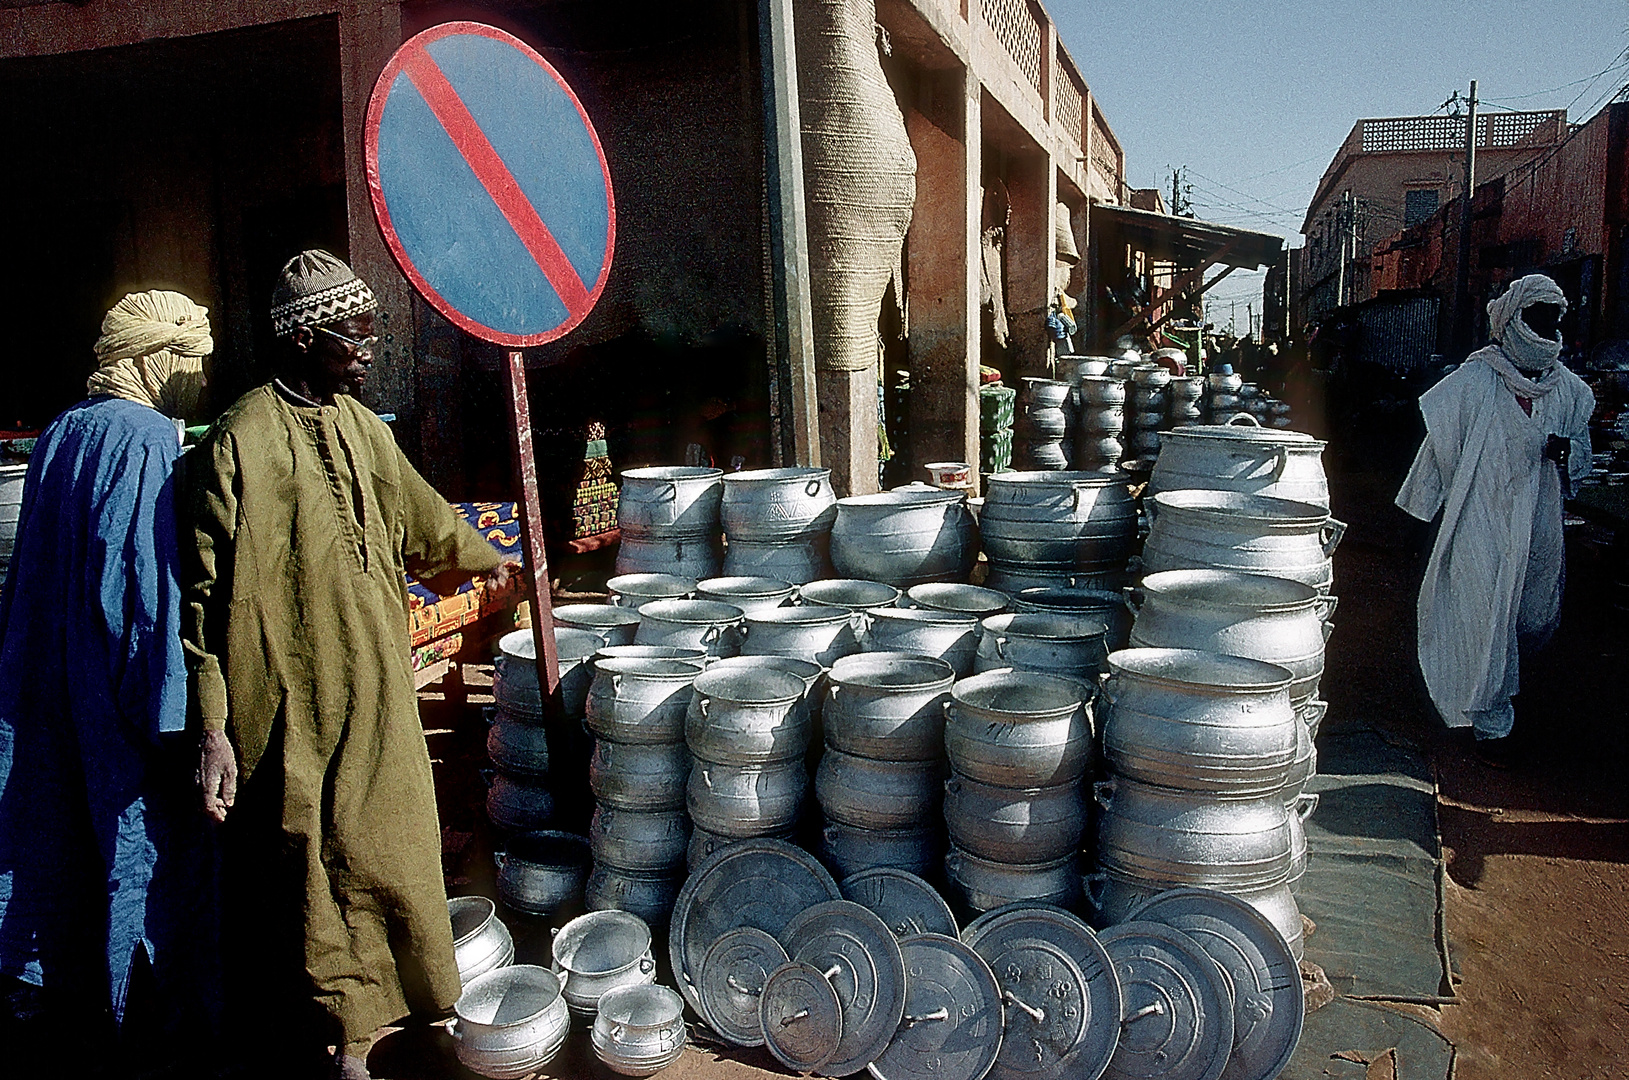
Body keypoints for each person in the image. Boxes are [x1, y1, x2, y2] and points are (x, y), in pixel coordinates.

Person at [185, 251, 517, 1079]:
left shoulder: (364, 429)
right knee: (313, 867)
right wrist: (215, 727)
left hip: (376, 687)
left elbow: (426, 523)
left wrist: (498, 560)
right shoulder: (239, 443)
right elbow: (201, 601)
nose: (370, 351)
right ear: (302, 338)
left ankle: (427, 1008)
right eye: (354, 336)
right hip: (286, 698)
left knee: (398, 847)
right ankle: (348, 1038)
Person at [0, 291, 220, 1065]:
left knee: (56, 839)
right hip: (115, 693)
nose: (200, 379)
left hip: (55, 679)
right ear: (156, 361)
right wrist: (174, 716)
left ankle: (55, 1002)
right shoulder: (146, 442)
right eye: (193, 363)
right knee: (143, 854)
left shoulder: (63, 430)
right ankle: (146, 1026)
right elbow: (143, 595)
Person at [1396, 274, 1593, 765]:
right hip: (1479, 521)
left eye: (1554, 317)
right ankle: (1489, 723)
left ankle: (1505, 696)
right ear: (1512, 320)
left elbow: (1582, 456)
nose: (1546, 327)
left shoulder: (1568, 390)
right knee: (1483, 616)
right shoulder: (1473, 381)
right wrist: (1418, 517)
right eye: (1537, 316)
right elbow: (1435, 452)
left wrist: (1568, 453)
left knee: (1532, 613)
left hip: (1538, 523)